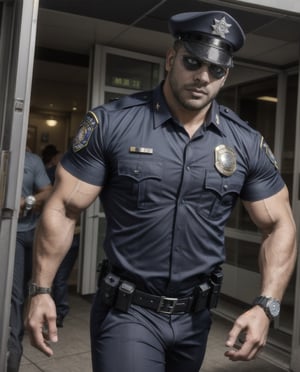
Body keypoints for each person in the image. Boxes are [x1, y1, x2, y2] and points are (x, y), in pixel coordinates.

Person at [25, 10, 297, 372]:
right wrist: (41, 291)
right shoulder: (112, 124)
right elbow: (63, 208)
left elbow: (280, 224)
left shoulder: (244, 142)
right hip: (128, 311)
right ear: (171, 59)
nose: (202, 76)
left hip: (196, 319)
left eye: (216, 69)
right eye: (192, 62)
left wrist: (267, 305)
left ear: (225, 74)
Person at [7, 149, 52, 372]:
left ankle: (13, 348)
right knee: (14, 295)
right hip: (9, 232)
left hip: (30, 231)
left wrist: (29, 200)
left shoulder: (32, 160)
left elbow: (47, 190)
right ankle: (12, 355)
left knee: (22, 293)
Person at [41, 144, 80, 328]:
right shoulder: (51, 174)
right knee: (58, 277)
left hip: (74, 235)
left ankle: (60, 311)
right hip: (58, 232)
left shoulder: (83, 176)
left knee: (60, 277)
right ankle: (57, 311)